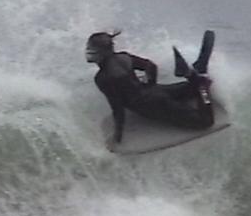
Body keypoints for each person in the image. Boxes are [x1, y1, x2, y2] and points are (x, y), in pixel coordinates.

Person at [85, 30, 214, 145]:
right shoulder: (123, 57)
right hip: (156, 90)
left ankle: (201, 84)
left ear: (99, 53)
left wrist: (118, 135)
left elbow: (117, 108)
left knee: (205, 122)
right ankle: (193, 74)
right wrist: (150, 85)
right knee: (191, 89)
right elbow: (151, 66)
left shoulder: (103, 78)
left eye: (91, 49)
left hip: (151, 105)